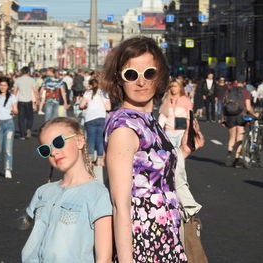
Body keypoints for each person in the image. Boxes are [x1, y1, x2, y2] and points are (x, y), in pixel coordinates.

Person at [103, 36, 198, 262]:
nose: (141, 82)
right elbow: (121, 204)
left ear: (160, 76)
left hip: (164, 235)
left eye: (149, 73)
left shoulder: (146, 120)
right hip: (144, 242)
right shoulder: (125, 127)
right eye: (131, 74)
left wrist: (182, 152)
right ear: (119, 79)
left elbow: (151, 173)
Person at [21, 117, 112, 263]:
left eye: (58, 142)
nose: (54, 152)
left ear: (79, 141)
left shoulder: (98, 194)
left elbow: (104, 258)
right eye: (46, 149)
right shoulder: (42, 192)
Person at [224, 78, 259, 167]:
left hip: (230, 116)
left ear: (235, 82)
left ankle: (228, 156)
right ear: (244, 83)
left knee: (231, 137)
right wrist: (254, 114)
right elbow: (248, 107)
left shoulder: (229, 90)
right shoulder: (246, 92)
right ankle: (236, 159)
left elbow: (224, 104)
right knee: (239, 138)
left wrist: (223, 118)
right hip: (240, 116)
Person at [79, 78, 111, 166]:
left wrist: (86, 106)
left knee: (90, 138)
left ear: (90, 85)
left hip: (90, 117)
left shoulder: (88, 92)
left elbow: (81, 105)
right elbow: (108, 108)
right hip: (101, 117)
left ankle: (89, 159)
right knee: (100, 138)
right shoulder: (104, 93)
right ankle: (100, 159)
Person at [159, 78, 193, 147]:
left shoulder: (185, 100)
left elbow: (189, 117)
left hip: (181, 132)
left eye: (175, 86)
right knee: (171, 154)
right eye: (171, 86)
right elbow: (162, 117)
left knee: (180, 155)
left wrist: (189, 131)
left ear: (180, 87)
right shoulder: (166, 100)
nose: (173, 88)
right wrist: (159, 131)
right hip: (169, 132)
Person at [13, 66, 38, 140]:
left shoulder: (17, 80)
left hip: (20, 101)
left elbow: (15, 91)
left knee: (21, 118)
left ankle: (22, 135)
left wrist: (13, 103)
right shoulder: (32, 80)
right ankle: (28, 129)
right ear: (28, 72)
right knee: (30, 117)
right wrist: (36, 102)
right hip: (29, 101)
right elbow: (35, 91)